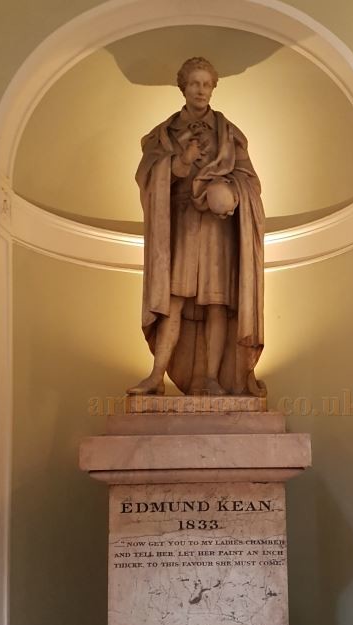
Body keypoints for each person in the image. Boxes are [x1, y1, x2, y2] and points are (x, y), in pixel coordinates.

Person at [127, 57, 265, 397]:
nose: (200, 90)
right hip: (182, 225)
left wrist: (229, 193)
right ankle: (156, 375)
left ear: (213, 88)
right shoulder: (165, 134)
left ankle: (212, 378)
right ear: (183, 87)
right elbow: (147, 175)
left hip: (218, 230)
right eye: (194, 83)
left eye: (206, 84)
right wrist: (181, 161)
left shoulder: (229, 134)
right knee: (173, 301)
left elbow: (250, 181)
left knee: (217, 304)